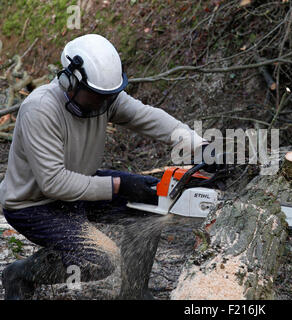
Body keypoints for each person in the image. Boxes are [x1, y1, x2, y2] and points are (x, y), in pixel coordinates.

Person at [0, 34, 214, 300]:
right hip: (33, 204)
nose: (104, 103)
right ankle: (22, 274)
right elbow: (54, 182)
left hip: (80, 185)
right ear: (70, 81)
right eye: (97, 96)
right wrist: (118, 186)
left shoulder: (104, 99)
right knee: (100, 258)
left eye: (108, 96)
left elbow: (145, 116)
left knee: (151, 204)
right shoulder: (41, 110)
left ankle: (133, 294)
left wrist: (199, 144)